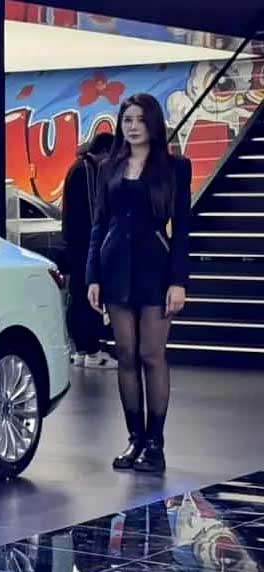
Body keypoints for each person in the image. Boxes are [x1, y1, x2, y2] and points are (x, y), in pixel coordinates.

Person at [85, 93, 192, 474]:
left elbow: (182, 229)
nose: (132, 127)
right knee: (126, 355)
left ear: (153, 124)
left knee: (151, 354)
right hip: (114, 268)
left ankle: (155, 445)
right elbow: (99, 224)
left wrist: (178, 280)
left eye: (140, 120)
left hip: (155, 271)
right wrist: (93, 275)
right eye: (127, 119)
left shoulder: (175, 167)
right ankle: (135, 440)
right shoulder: (108, 167)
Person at [62, 132, 117, 369]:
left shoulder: (78, 167)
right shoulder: (86, 171)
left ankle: (82, 349)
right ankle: (93, 351)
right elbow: (94, 211)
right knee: (89, 297)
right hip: (84, 245)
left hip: (76, 244)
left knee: (78, 296)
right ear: (104, 152)